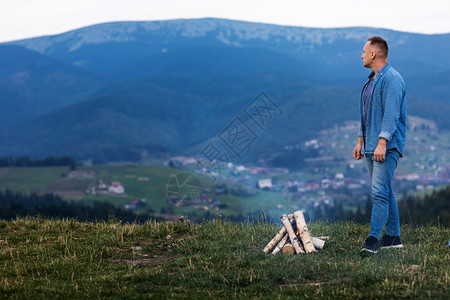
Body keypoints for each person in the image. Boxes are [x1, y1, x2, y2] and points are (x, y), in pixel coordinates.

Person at [353, 36, 407, 254]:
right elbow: (367, 115)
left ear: (374, 54)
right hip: (370, 145)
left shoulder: (392, 79)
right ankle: (393, 237)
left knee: (379, 192)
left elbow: (391, 114)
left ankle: (373, 240)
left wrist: (383, 142)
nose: (362, 55)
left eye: (364, 51)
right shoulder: (371, 80)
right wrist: (360, 140)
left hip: (386, 145)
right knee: (385, 190)